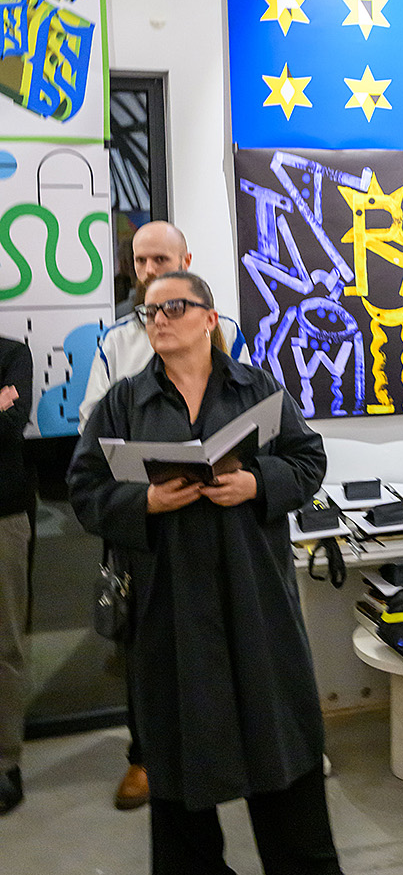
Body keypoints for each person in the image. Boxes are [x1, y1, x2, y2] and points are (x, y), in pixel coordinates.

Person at [68, 270, 350, 875]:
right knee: (177, 733)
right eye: (150, 312)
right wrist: (145, 501)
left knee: (279, 721)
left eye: (174, 307)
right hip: (168, 592)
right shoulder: (123, 402)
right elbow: (84, 488)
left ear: (209, 318)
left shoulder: (257, 389)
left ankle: (307, 865)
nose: (160, 319)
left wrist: (258, 482)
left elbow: (309, 461)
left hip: (255, 588)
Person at [79, 219, 247, 812]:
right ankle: (145, 756)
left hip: (219, 513)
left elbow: (247, 408)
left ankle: (227, 748)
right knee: (145, 645)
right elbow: (93, 430)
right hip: (146, 518)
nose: (149, 270)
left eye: (160, 260)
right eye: (140, 261)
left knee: (226, 635)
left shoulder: (225, 331)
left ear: (186, 262)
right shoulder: (115, 341)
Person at [0, 337, 33, 815]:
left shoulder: (11, 355)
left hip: (3, 515)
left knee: (5, 646)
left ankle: (5, 762)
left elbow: (9, 430)